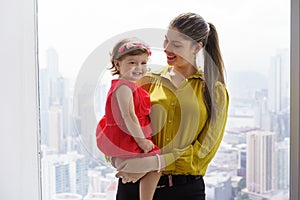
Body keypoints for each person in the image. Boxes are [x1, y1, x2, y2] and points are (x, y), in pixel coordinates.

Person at [114, 12, 229, 200]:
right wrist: (121, 161)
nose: (166, 48)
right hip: (134, 186)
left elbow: (203, 153)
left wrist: (154, 163)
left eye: (176, 44)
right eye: (166, 41)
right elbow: (117, 124)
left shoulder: (214, 90)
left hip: (184, 192)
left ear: (197, 47)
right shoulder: (146, 78)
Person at [96, 38, 162, 200]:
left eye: (143, 63)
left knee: (156, 166)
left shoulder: (131, 86)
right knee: (159, 162)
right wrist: (141, 141)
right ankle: (125, 169)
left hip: (131, 139)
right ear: (118, 65)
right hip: (128, 139)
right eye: (132, 63)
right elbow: (128, 115)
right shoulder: (123, 87)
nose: (139, 68)